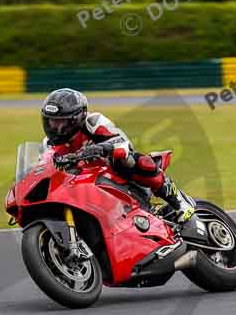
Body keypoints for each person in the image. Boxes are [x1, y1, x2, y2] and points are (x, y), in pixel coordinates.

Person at [41, 88, 195, 223]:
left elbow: (123, 144)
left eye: (61, 121)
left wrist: (102, 148)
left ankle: (180, 202)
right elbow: (43, 168)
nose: (56, 127)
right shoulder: (48, 144)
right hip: (83, 185)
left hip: (113, 173)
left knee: (135, 162)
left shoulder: (93, 122)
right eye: (52, 122)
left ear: (77, 118)